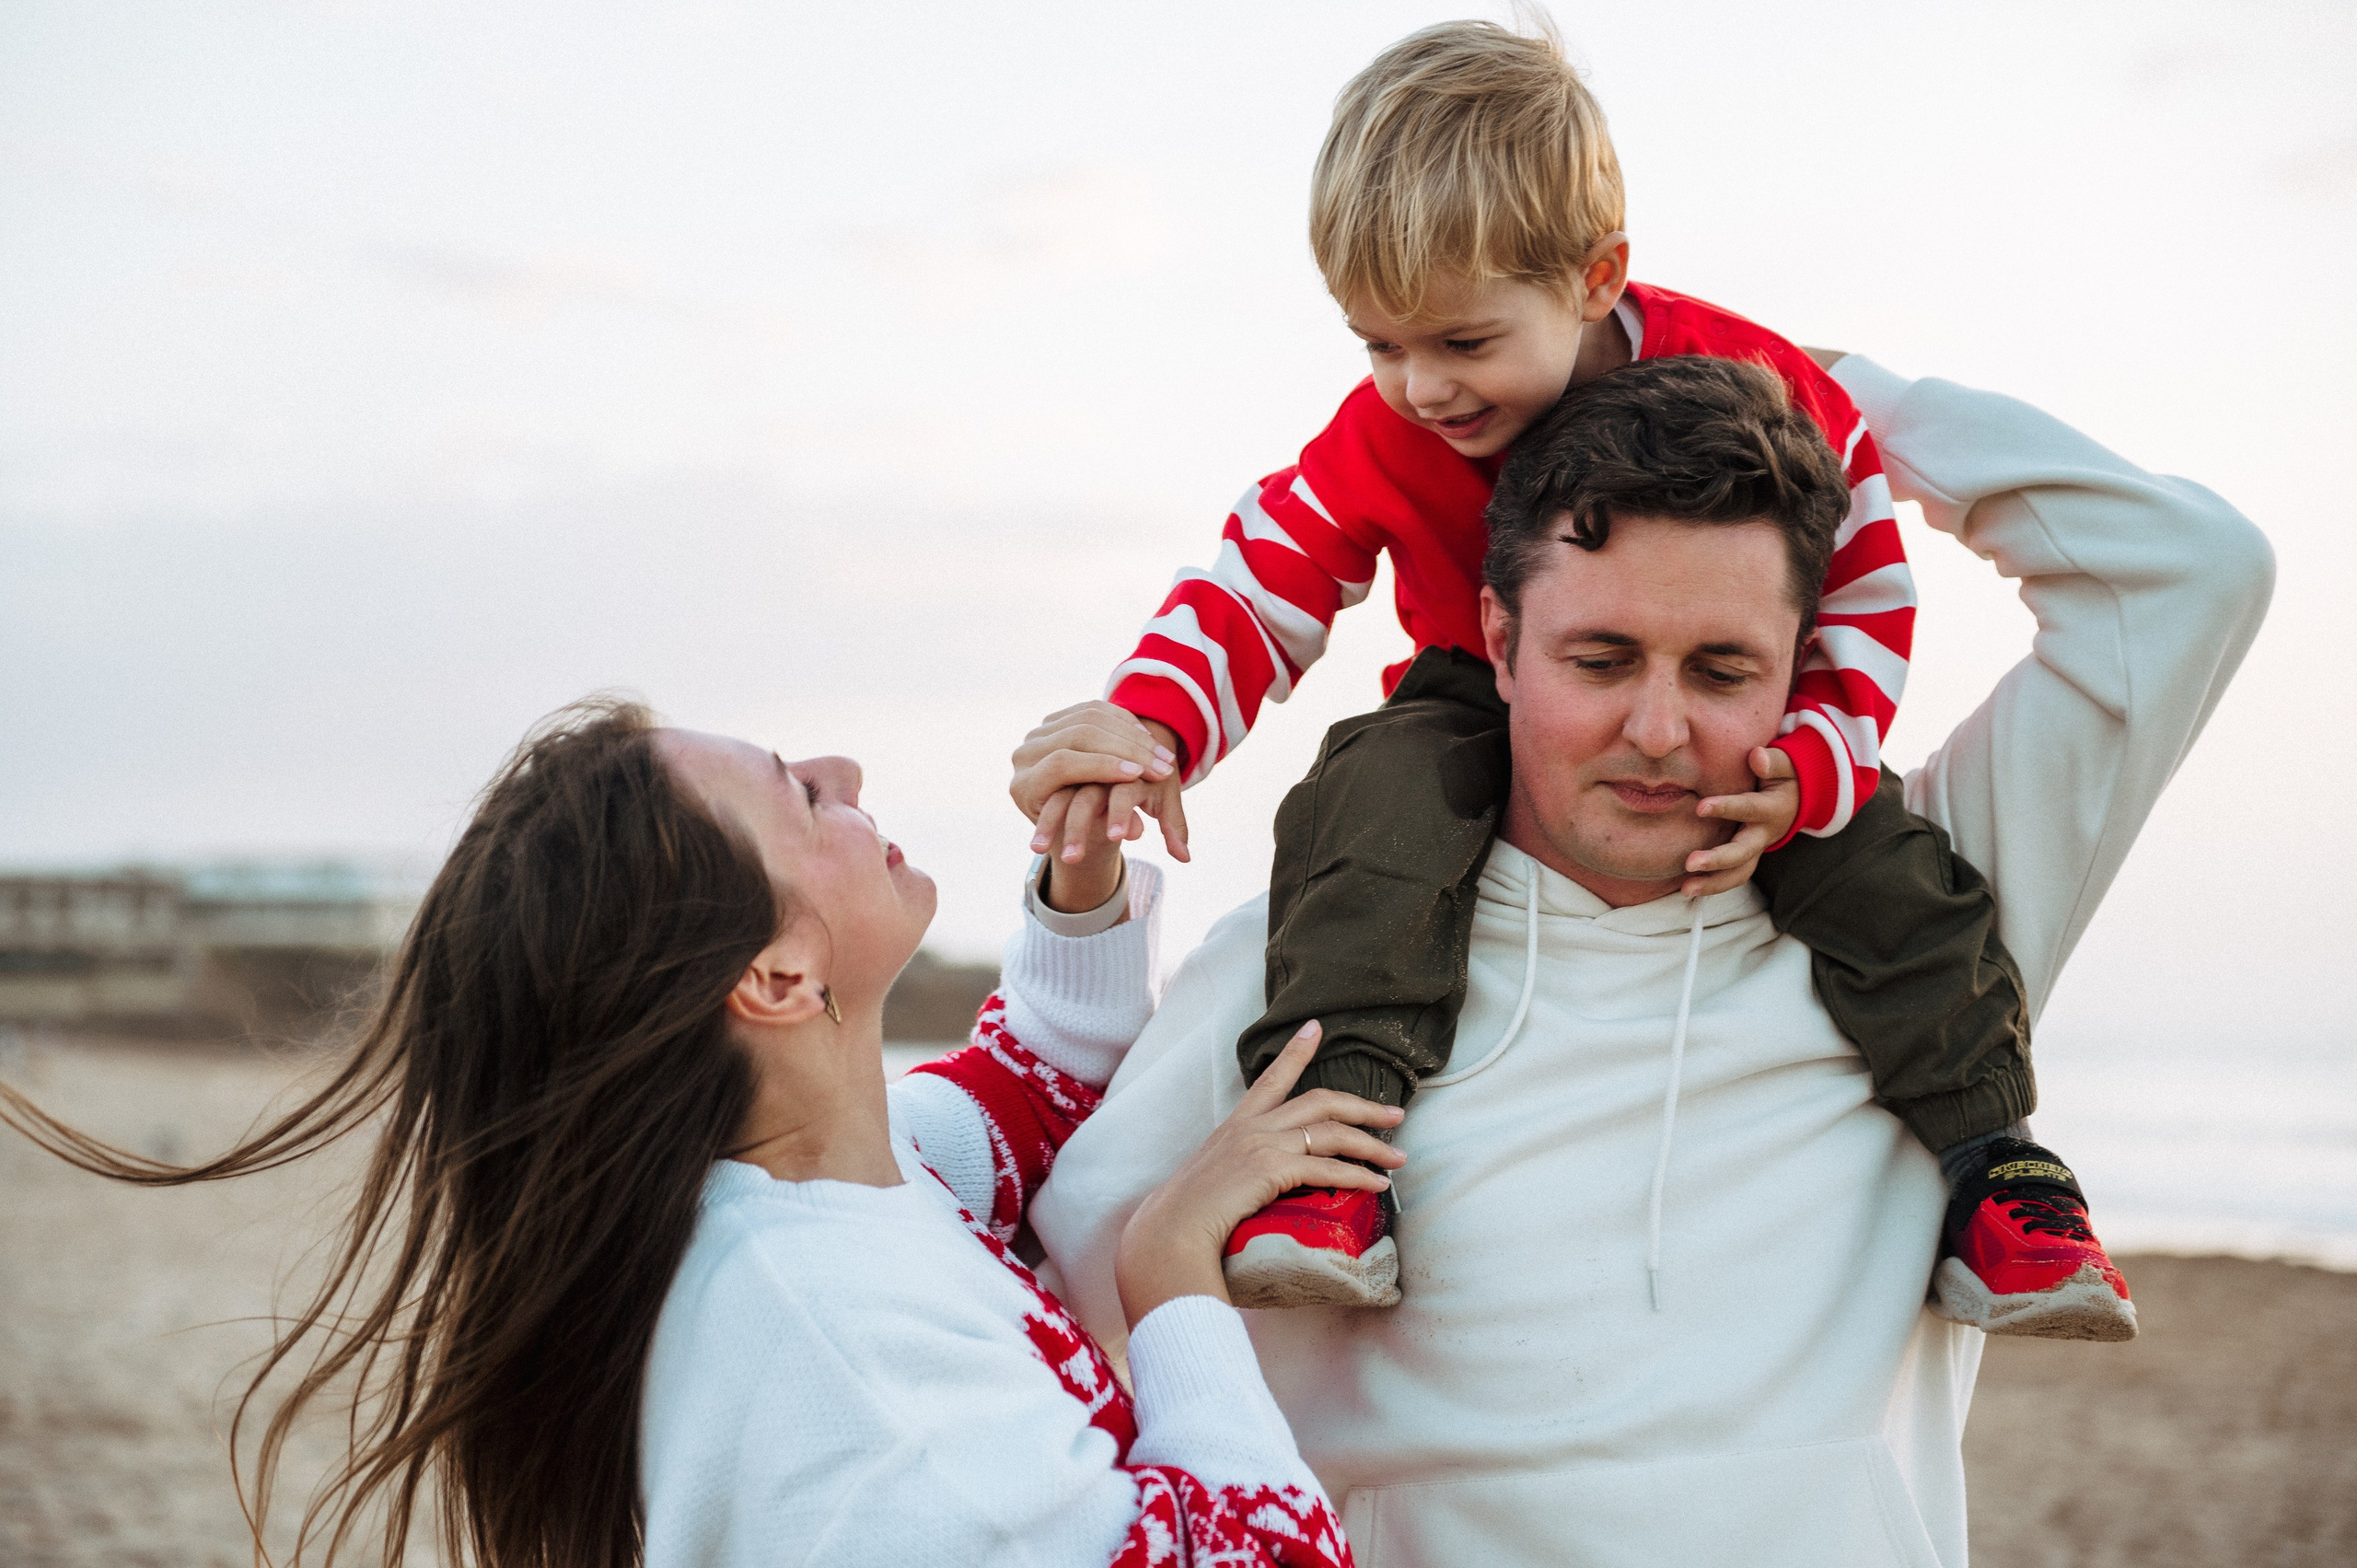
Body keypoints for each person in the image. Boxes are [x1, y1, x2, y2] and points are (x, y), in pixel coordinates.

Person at [1027, 353, 2270, 1565]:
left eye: (1724, 671)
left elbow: (2191, 571)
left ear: (1805, 668)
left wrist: (1796, 372)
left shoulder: (1933, 923)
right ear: (1501, 644)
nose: (1660, 731)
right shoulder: (1314, 955)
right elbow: (1046, 1325)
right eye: (1600, 660)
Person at [1011, 18, 2124, 1334]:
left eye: (1463, 344)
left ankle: (1996, 1172)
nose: (1419, 387)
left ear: (1596, 275)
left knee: (1889, 871)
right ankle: (1331, 1159)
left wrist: (1818, 759)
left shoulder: (1750, 383)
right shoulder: (1388, 429)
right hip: (1465, 688)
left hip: (1741, 724)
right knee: (1368, 812)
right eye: (1379, 344)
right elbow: (1265, 581)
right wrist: (1152, 728)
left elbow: (1870, 572)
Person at [0, 699, 1396, 1567]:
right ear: (777, 980)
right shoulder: (845, 1372)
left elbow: (1022, 1097)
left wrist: (1080, 892)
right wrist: (1174, 1291)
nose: (846, 764)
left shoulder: (832, 1182)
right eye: (800, 793)